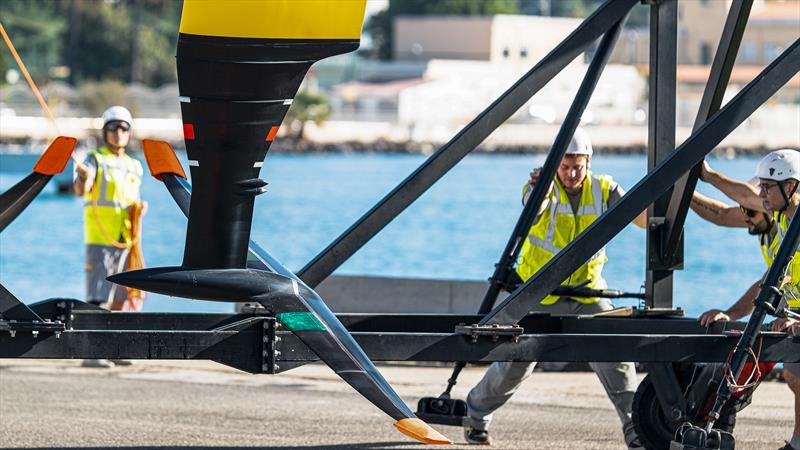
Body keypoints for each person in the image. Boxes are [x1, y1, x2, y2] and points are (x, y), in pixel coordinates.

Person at [463, 128, 647, 448]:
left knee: (614, 354)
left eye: (578, 166)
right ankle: (475, 416)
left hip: (588, 293)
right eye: (564, 166)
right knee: (516, 362)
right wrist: (542, 188)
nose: (572, 174)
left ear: (589, 162)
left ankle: (636, 428)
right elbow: (533, 210)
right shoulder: (539, 186)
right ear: (555, 165)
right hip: (539, 296)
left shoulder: (605, 188)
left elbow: (643, 218)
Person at [699, 150, 800, 450]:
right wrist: (730, 314)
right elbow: (766, 283)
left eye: (767, 187)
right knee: (794, 373)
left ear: (791, 187)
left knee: (796, 373)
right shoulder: (785, 219)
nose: (760, 194)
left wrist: (709, 175)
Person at [74, 105, 145, 369]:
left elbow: (133, 199)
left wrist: (140, 209)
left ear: (129, 133)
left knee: (120, 297)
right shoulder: (95, 159)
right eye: (114, 128)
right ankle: (92, 353)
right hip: (100, 237)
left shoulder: (134, 166)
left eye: (124, 128)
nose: (119, 132)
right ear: (106, 132)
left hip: (127, 238)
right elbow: (83, 190)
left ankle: (113, 348)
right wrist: (82, 178)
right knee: (98, 295)